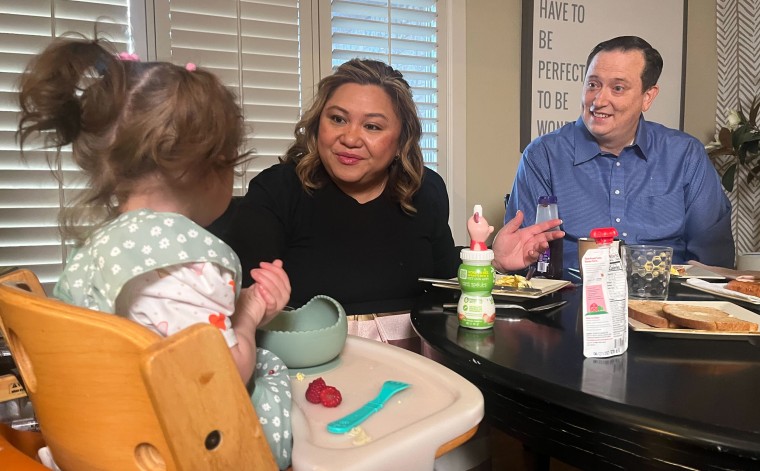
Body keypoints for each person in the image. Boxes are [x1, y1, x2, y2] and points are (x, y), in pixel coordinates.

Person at [17, 36, 293, 469]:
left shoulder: (99, 247)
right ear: (207, 166)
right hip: (168, 449)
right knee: (272, 376)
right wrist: (251, 314)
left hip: (99, 438)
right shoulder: (189, 261)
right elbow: (223, 376)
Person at [212, 58, 563, 348]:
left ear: (400, 142)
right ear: (317, 125)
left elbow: (444, 287)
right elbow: (239, 302)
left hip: (417, 363)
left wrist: (491, 260)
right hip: (309, 364)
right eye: (337, 119)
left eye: (373, 127)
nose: (349, 138)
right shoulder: (278, 189)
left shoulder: (427, 191)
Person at [506, 35, 735, 269]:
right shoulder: (543, 156)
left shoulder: (686, 155)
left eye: (617, 88)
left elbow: (713, 261)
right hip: (572, 298)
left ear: (648, 97)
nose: (599, 100)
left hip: (669, 299)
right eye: (593, 84)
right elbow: (526, 261)